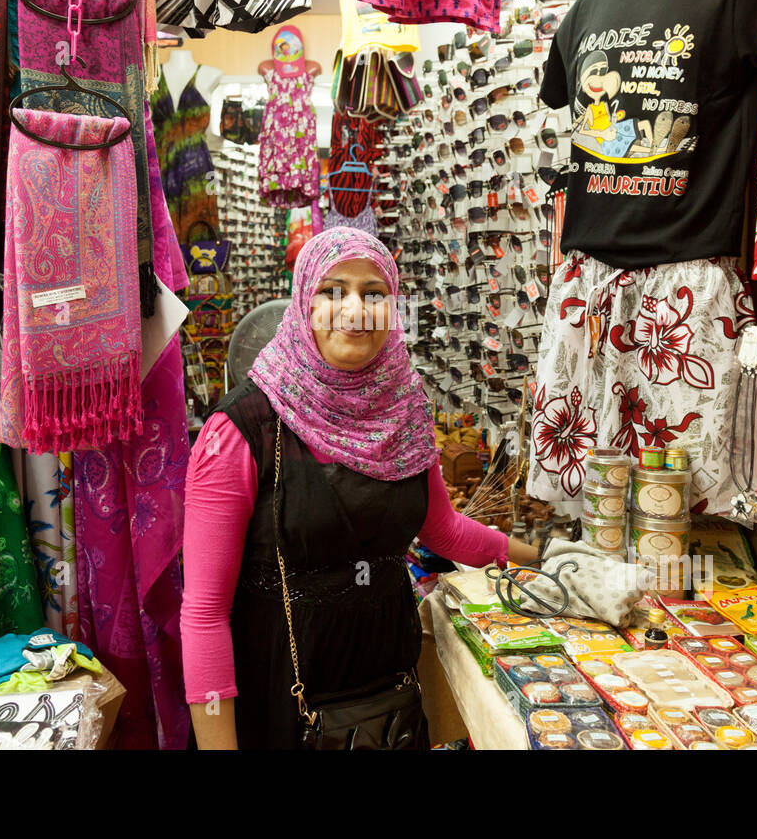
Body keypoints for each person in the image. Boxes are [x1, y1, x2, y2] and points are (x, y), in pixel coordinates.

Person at [181, 227, 537, 749]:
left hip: (385, 706)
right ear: (304, 301)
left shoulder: (405, 413)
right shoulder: (242, 429)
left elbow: (442, 529)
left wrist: (542, 560)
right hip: (279, 699)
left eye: (375, 293)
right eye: (333, 290)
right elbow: (205, 613)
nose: (356, 308)